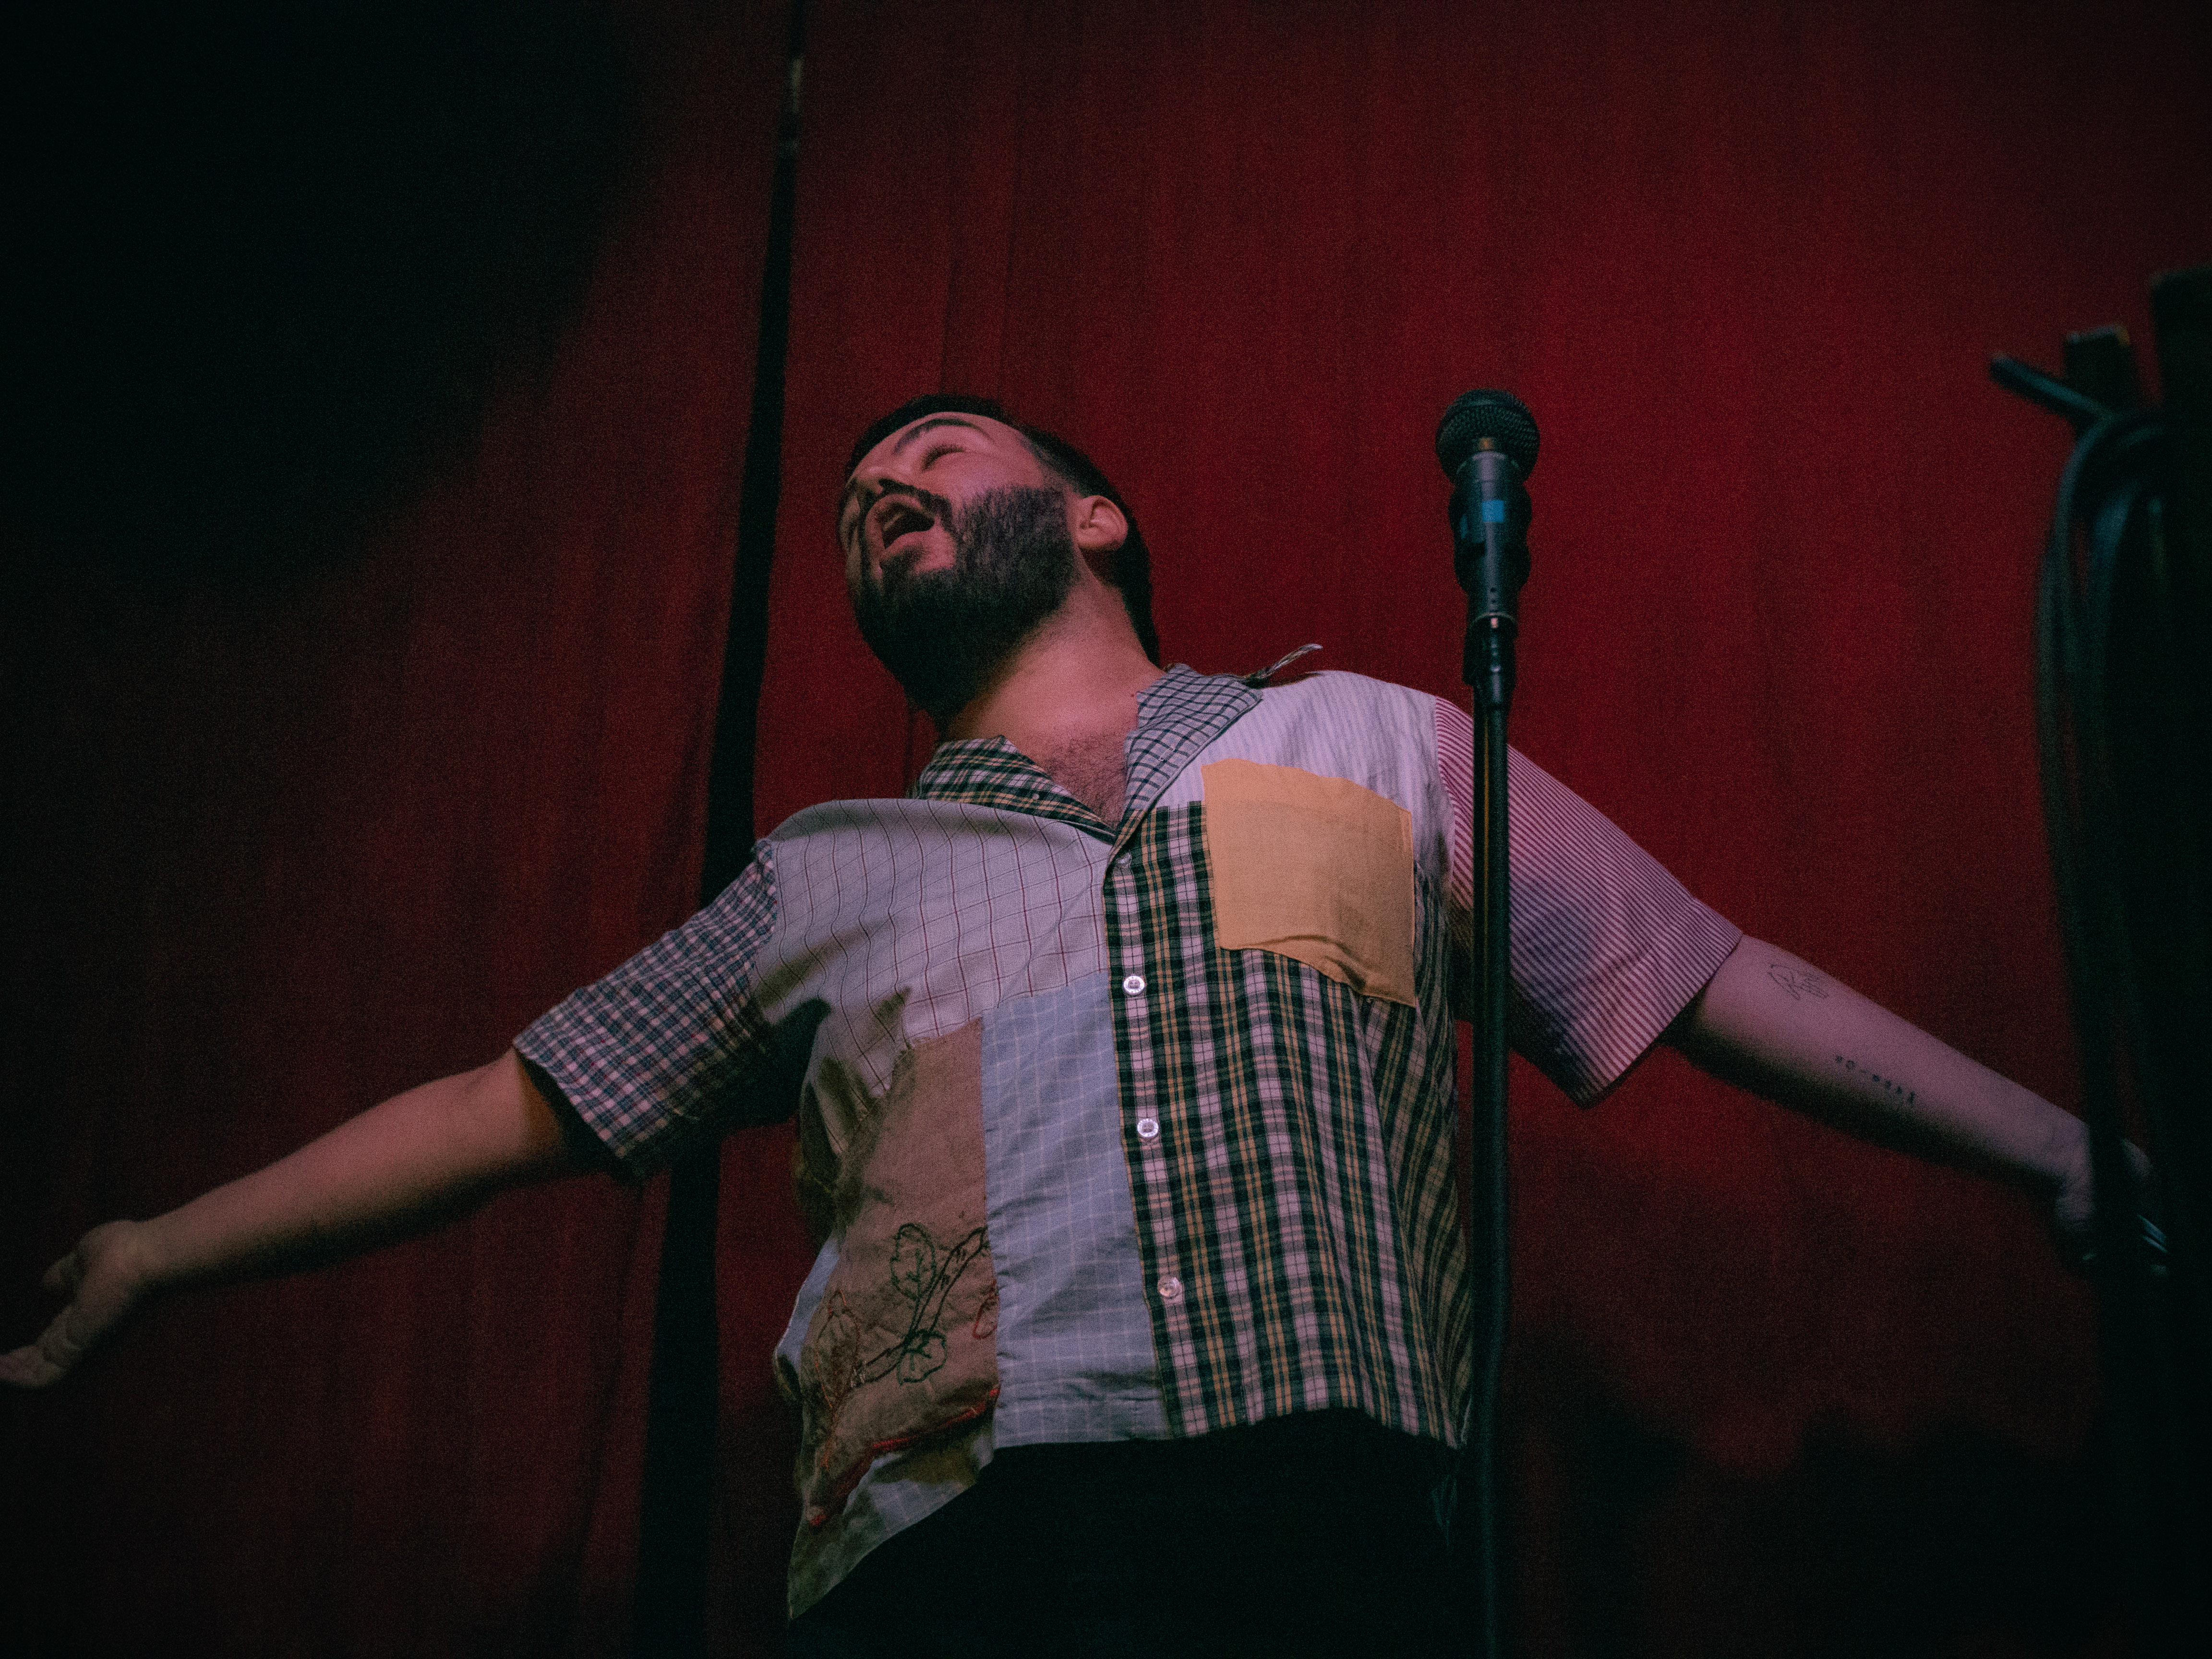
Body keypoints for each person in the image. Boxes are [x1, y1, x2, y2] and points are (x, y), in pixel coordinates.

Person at [3, 395, 2101, 1655]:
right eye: (851, 498)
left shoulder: (1364, 734)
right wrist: (163, 1251)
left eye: (930, 450)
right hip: (951, 1555)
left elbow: (1710, 973)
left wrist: (2062, 1149)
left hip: (1329, 1519)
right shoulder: (828, 870)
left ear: (1092, 516)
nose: (872, 486)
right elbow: (503, 1101)